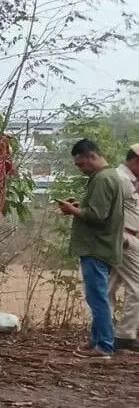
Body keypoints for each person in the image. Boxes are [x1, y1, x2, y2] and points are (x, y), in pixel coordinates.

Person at [58, 138, 124, 359]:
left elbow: (97, 216)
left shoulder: (102, 179)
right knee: (97, 296)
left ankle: (104, 345)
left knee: (97, 299)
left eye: (81, 164)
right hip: (103, 246)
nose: (80, 168)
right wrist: (79, 207)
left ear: (91, 156)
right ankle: (96, 339)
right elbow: (100, 210)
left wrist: (72, 211)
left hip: (96, 247)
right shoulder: (109, 176)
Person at [109, 143, 139, 351]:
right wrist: (120, 237)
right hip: (124, 238)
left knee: (108, 287)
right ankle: (124, 335)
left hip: (127, 237)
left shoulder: (131, 180)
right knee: (137, 287)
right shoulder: (120, 179)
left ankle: (104, 333)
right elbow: (109, 210)